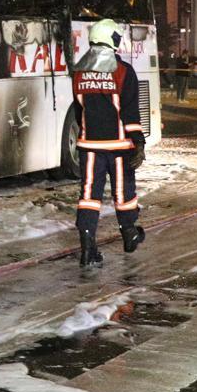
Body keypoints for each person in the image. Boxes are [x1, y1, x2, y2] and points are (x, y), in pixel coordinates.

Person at [70, 18, 146, 267]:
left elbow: (79, 110)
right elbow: (130, 112)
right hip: (119, 146)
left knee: (89, 195)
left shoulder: (78, 72)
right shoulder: (123, 71)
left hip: (90, 146)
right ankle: (129, 233)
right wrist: (139, 142)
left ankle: (87, 247)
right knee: (123, 191)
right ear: (111, 39)